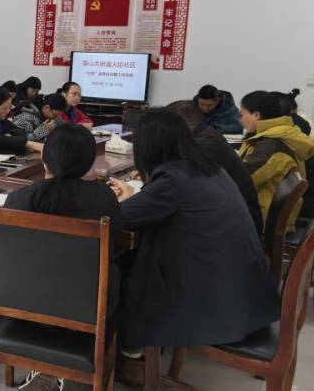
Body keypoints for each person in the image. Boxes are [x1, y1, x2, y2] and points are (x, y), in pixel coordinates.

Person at [107, 109, 280, 352]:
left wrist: (125, 198)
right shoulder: (205, 166)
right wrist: (135, 196)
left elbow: (119, 217)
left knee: (123, 262)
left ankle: (129, 347)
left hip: (219, 303)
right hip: (244, 294)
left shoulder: (173, 180)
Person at [5, 124, 123, 391]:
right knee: (112, 271)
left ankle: (49, 365)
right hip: (86, 302)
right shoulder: (103, 199)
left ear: (44, 157)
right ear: (89, 163)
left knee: (48, 278)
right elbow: (115, 244)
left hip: (22, 296)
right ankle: (67, 365)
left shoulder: (19, 198)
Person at [167, 100, 263, 235]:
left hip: (233, 230)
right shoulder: (207, 134)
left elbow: (173, 182)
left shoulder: (200, 145)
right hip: (241, 221)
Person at [238, 91, 314, 227]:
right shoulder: (284, 132)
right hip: (269, 209)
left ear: (256, 115)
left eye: (242, 115)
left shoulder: (270, 146)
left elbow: (241, 179)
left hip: (261, 219)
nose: (240, 120)